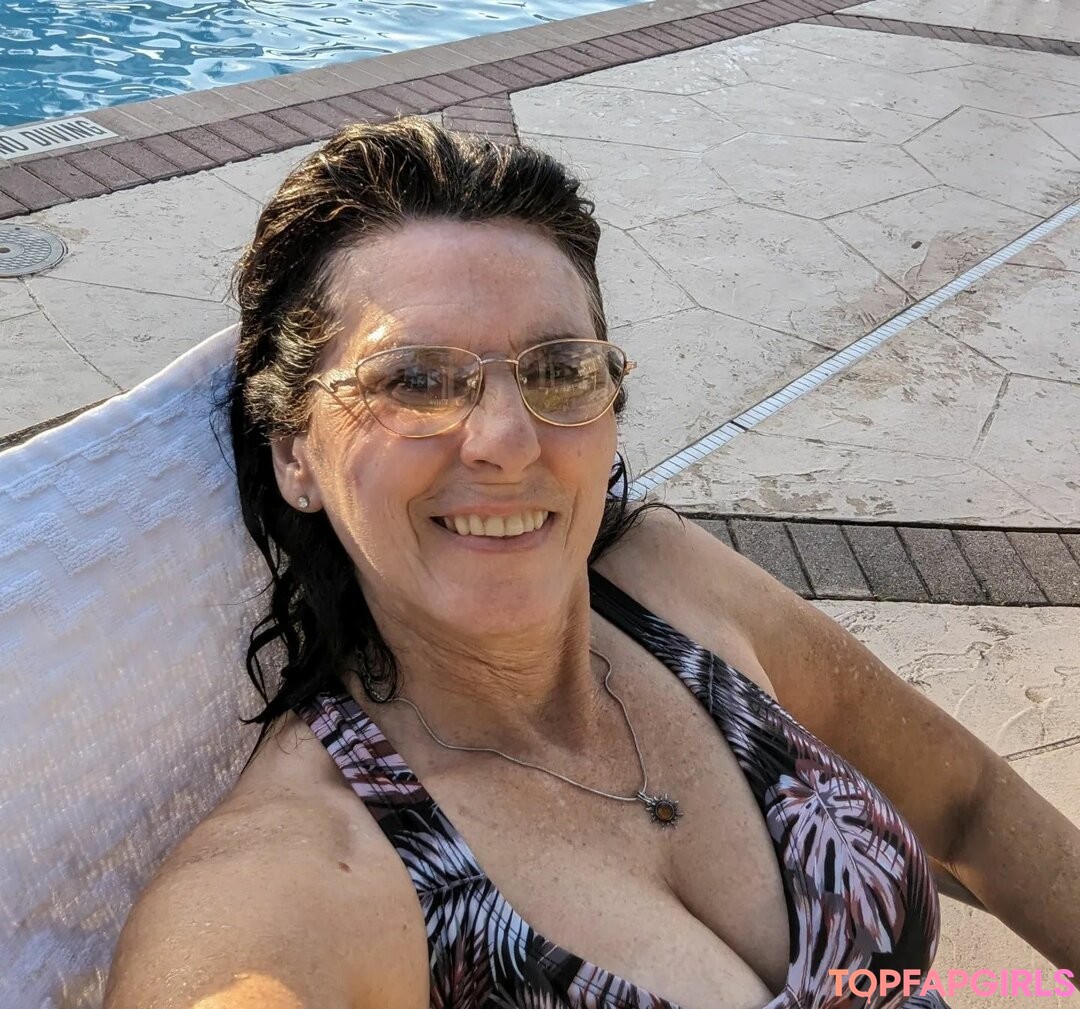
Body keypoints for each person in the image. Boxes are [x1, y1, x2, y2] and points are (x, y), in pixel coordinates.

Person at [103, 118, 1080, 1009]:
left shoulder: (669, 586)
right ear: (294, 453)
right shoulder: (305, 881)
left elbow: (970, 806)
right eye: (417, 379)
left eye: (559, 368)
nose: (507, 440)